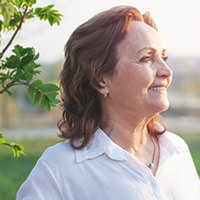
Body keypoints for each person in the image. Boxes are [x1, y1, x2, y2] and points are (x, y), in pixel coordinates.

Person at [16, 5, 200, 200]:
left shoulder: (177, 150)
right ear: (100, 79)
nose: (167, 71)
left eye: (164, 57)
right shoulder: (59, 169)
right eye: (146, 58)